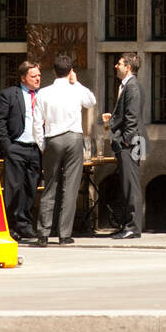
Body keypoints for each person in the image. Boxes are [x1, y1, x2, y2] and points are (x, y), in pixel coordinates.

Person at [33, 54, 96, 246]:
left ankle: (43, 233)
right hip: (73, 138)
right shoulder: (75, 90)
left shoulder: (43, 93)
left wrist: (42, 144)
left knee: (50, 184)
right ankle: (64, 234)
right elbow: (91, 101)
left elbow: (37, 123)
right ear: (70, 71)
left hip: (53, 138)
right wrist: (76, 83)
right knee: (70, 187)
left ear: (53, 71)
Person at [0, 60, 42, 243]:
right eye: (33, 76)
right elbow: (0, 121)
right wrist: (7, 147)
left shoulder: (43, 96)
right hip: (16, 147)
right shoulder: (9, 94)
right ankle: (11, 225)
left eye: (38, 75)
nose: (37, 79)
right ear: (23, 78)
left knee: (30, 188)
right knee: (14, 188)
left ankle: (25, 224)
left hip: (35, 148)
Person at [103, 52, 149, 239]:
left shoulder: (133, 87)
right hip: (130, 141)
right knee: (127, 184)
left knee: (131, 185)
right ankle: (127, 225)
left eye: (119, 63)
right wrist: (113, 118)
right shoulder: (127, 86)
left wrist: (126, 140)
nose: (116, 66)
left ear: (128, 67)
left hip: (132, 143)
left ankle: (133, 227)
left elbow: (132, 116)